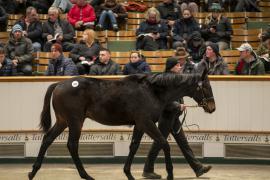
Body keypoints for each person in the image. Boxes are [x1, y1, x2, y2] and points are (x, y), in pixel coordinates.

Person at [142, 55, 212, 179]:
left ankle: (198, 168)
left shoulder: (174, 79)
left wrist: (178, 106)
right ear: (171, 67)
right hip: (166, 117)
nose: (180, 67)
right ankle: (147, 170)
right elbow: (163, 100)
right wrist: (178, 106)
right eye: (177, 65)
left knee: (183, 144)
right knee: (159, 143)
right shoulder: (165, 80)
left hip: (173, 117)